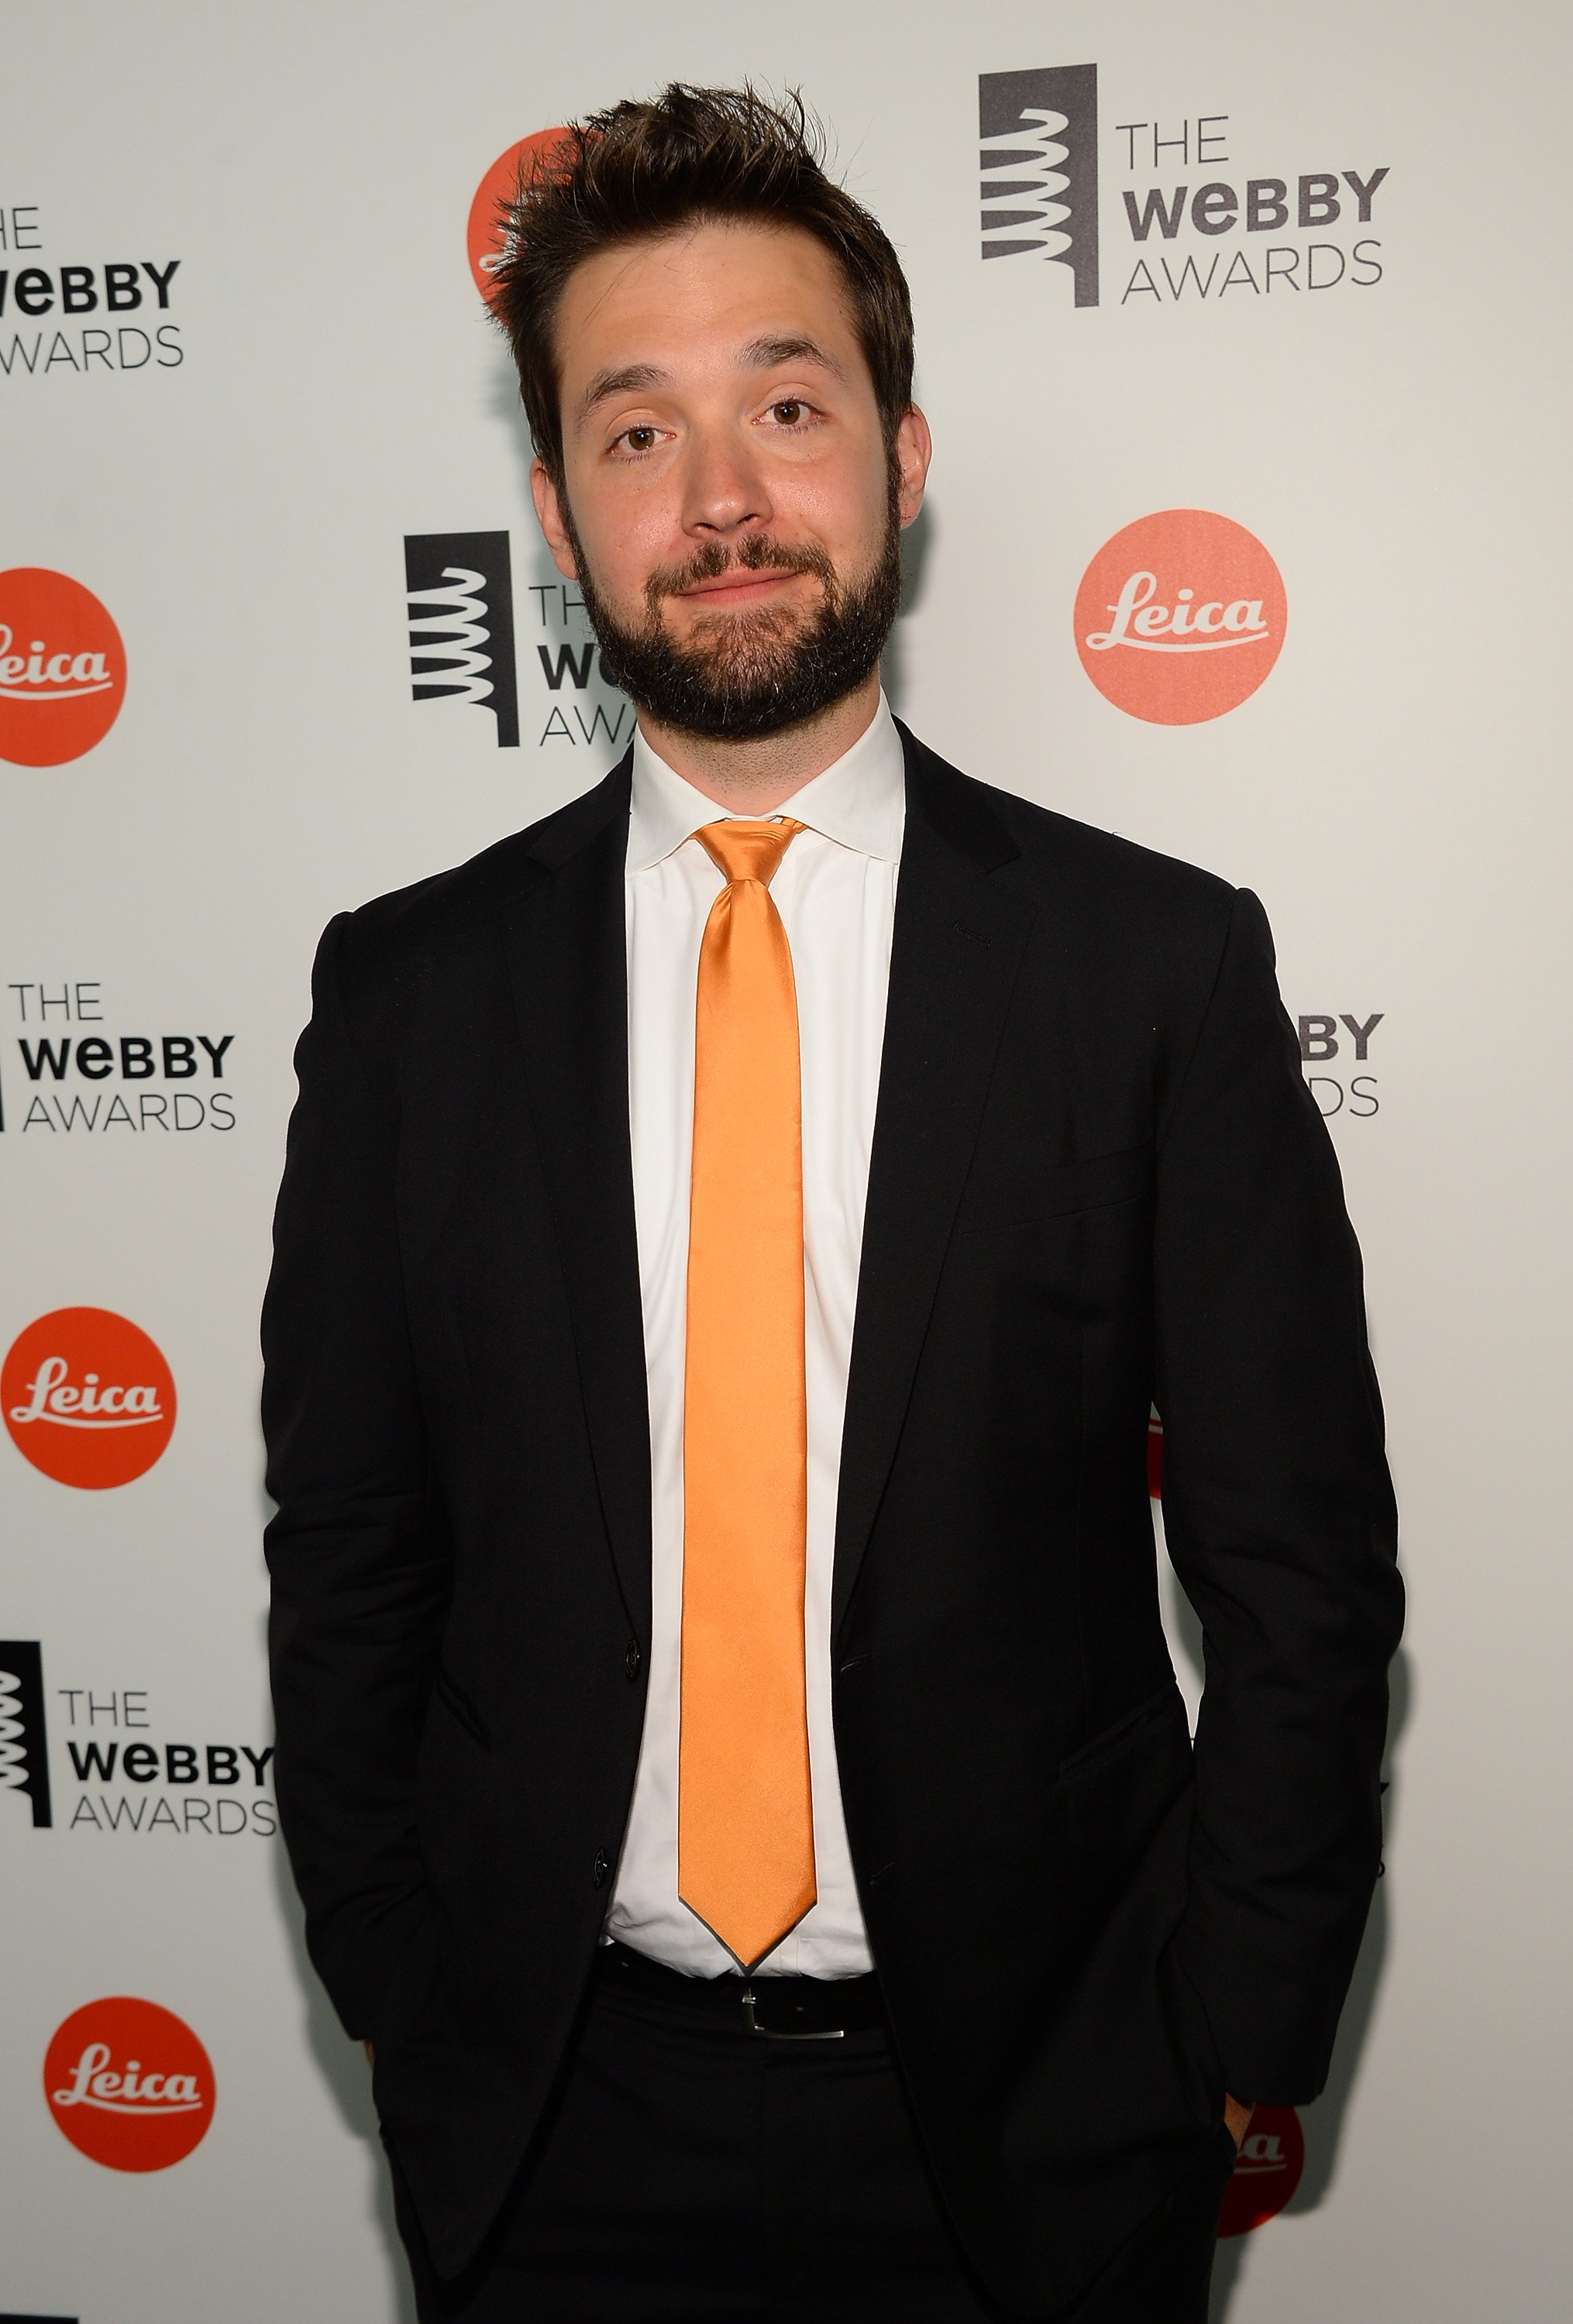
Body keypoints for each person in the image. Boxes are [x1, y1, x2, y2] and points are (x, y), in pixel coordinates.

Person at [262, 84, 1403, 2323]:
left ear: (899, 448)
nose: (721, 500)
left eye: (785, 404)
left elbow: (1300, 1569)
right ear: (553, 513)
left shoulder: (1150, 968)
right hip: (552, 2113)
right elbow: (353, 1557)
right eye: (633, 430)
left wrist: (1233, 2032)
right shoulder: (407, 997)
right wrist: (405, 1980)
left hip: (1045, 2124)